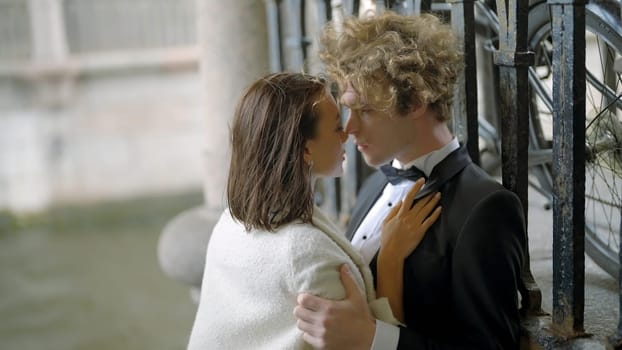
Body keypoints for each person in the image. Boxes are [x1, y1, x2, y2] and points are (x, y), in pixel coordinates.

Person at [294, 12, 527, 349]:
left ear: (417, 100)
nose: (349, 129)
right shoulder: (373, 186)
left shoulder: (486, 207)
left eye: (366, 110)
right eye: (347, 109)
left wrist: (374, 338)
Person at [186, 72, 441, 349]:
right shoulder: (305, 253)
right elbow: (364, 342)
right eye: (335, 127)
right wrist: (390, 258)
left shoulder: (230, 223)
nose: (346, 134)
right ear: (305, 149)